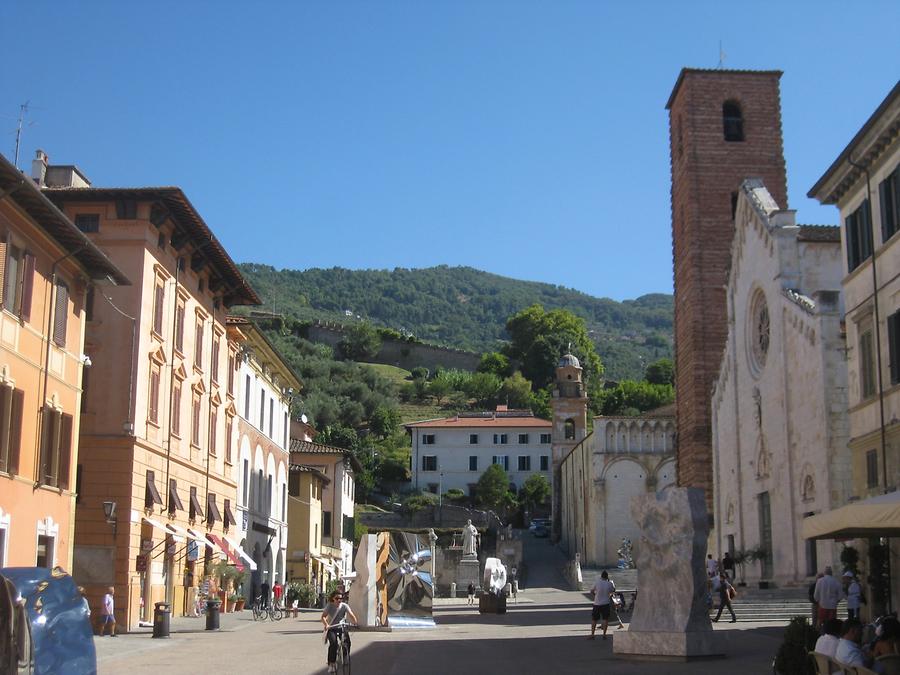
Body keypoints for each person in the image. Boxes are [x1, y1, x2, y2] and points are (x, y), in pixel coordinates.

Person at [321, 589, 359, 673]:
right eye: (337, 598)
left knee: (347, 642)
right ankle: (331, 664)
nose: (339, 600)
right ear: (333, 598)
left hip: (341, 627)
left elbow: (351, 614)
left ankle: (345, 657)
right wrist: (326, 625)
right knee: (333, 644)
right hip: (332, 627)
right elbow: (323, 617)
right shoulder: (329, 606)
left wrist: (355, 622)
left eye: (340, 599)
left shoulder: (344, 606)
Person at [589, 570, 616, 640]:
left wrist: (595, 595)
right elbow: (613, 590)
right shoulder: (609, 583)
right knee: (605, 619)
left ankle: (592, 634)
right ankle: (604, 634)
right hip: (606, 603)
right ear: (607, 577)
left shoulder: (597, 582)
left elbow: (591, 591)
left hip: (597, 603)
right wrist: (608, 595)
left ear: (601, 576)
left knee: (594, 619)